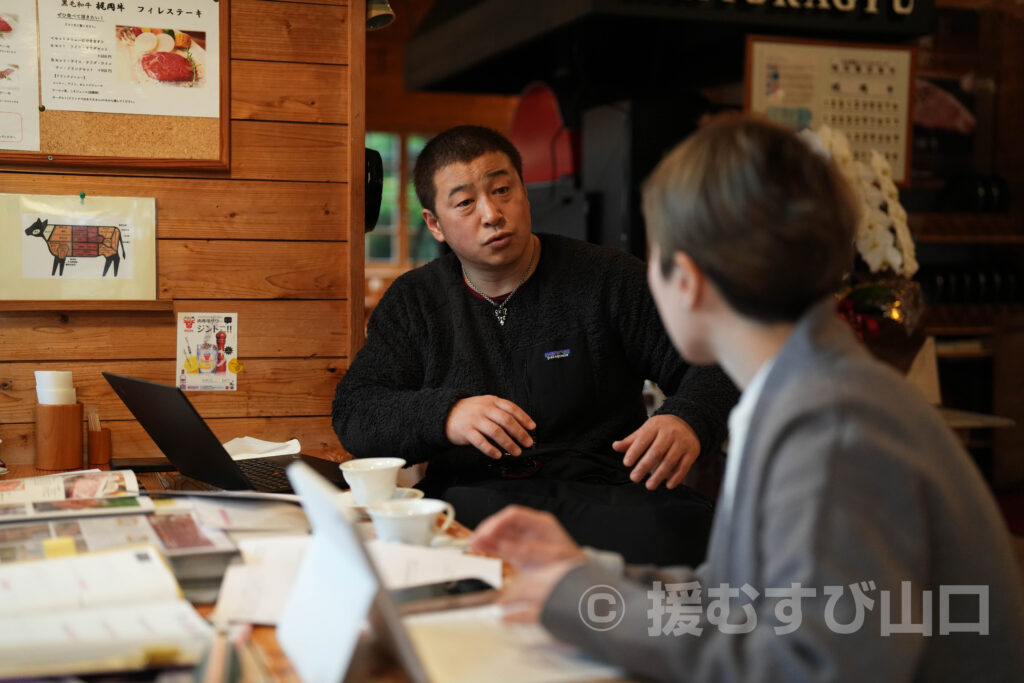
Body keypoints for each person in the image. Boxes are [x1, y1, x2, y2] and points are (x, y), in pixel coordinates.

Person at [469, 115, 1024, 681]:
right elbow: (742, 602)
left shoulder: (831, 424)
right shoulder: (800, 388)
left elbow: (806, 666)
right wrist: (583, 579)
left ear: (684, 280)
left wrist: (580, 597)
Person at [333, 125, 738, 565]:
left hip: (606, 497)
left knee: (690, 531)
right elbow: (356, 411)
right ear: (435, 224)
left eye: (502, 190)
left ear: (524, 192)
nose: (491, 213)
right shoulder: (416, 301)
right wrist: (447, 413)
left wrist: (688, 419)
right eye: (465, 203)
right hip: (476, 503)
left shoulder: (611, 279)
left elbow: (717, 363)